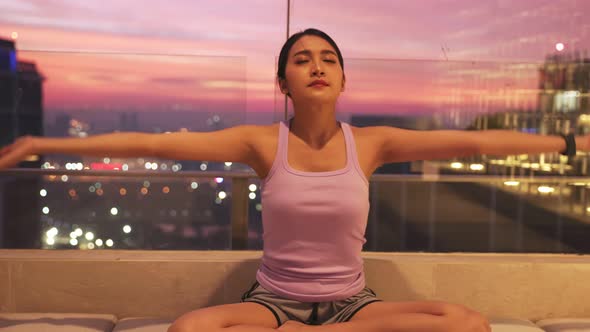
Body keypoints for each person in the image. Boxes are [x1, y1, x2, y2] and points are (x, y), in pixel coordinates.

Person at [0, 28, 587, 332]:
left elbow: (475, 142)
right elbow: (151, 144)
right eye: (303, 59)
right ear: (284, 82)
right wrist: (39, 143)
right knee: (190, 328)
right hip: (273, 306)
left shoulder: (373, 142)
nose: (317, 66)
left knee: (467, 324)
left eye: (328, 58)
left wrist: (569, 143)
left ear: (342, 79)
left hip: (353, 307)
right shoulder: (261, 143)